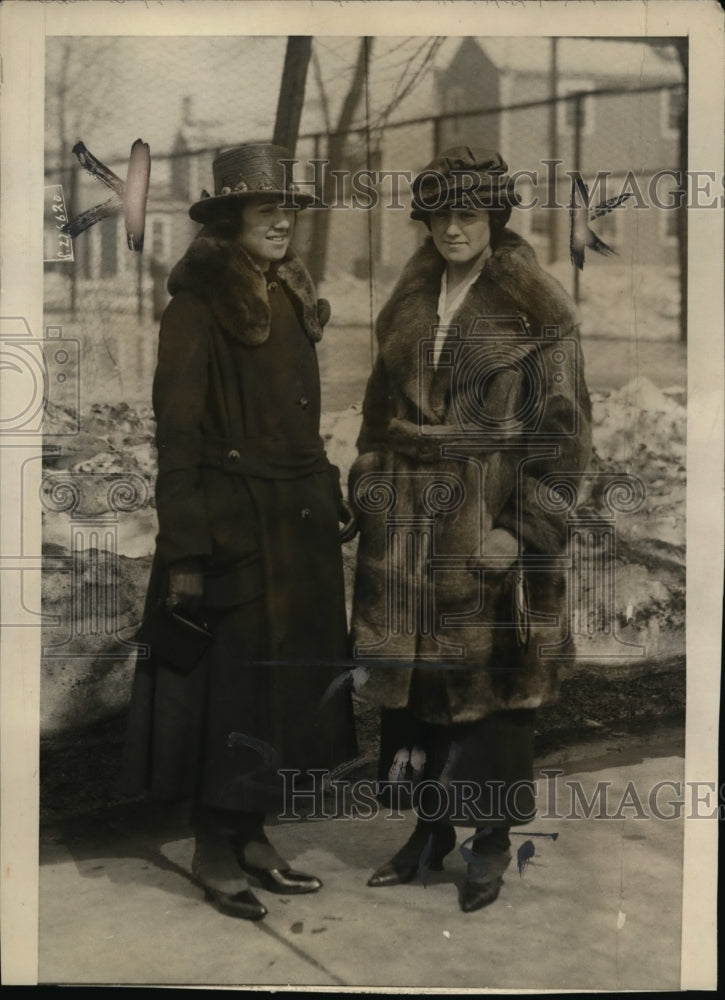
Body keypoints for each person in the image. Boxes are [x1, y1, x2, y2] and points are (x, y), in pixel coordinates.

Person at [348, 147, 592, 913]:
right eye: (439, 214)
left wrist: (518, 532)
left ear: (493, 218)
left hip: (486, 528)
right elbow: (373, 415)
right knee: (416, 694)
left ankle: (488, 840)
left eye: (468, 213)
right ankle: (429, 830)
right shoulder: (409, 297)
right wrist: (369, 481)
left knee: (489, 700)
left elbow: (566, 440)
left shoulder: (537, 308)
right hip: (406, 531)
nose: (452, 228)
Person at [120, 143, 357, 921]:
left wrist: (325, 491)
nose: (283, 222)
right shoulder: (195, 310)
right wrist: (186, 549)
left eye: (288, 209)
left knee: (282, 693)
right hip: (229, 527)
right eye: (266, 210)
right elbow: (177, 437)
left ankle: (253, 836)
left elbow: (301, 424)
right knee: (230, 695)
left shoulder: (288, 300)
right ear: (229, 220)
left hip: (298, 531)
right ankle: (213, 846)